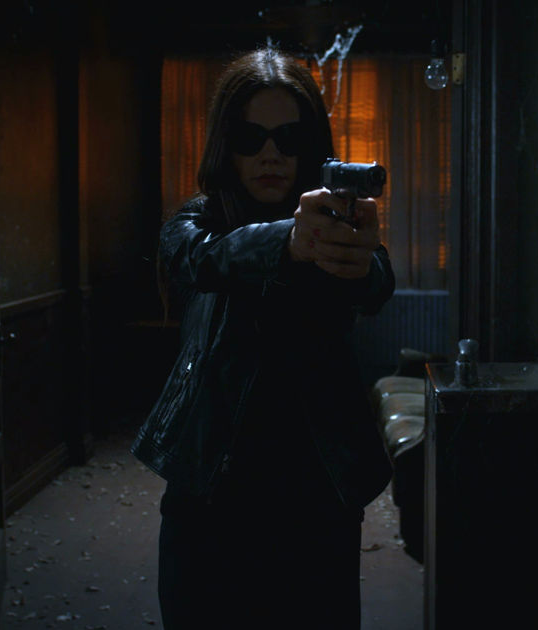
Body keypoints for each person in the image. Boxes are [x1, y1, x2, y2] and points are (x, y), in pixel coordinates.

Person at [131, 46, 395, 629]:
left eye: (287, 138)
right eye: (251, 137)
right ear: (227, 144)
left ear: (311, 146)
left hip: (314, 489)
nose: (270, 154)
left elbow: (375, 281)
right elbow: (197, 258)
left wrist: (361, 262)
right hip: (211, 488)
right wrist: (287, 243)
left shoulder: (331, 223)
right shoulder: (196, 221)